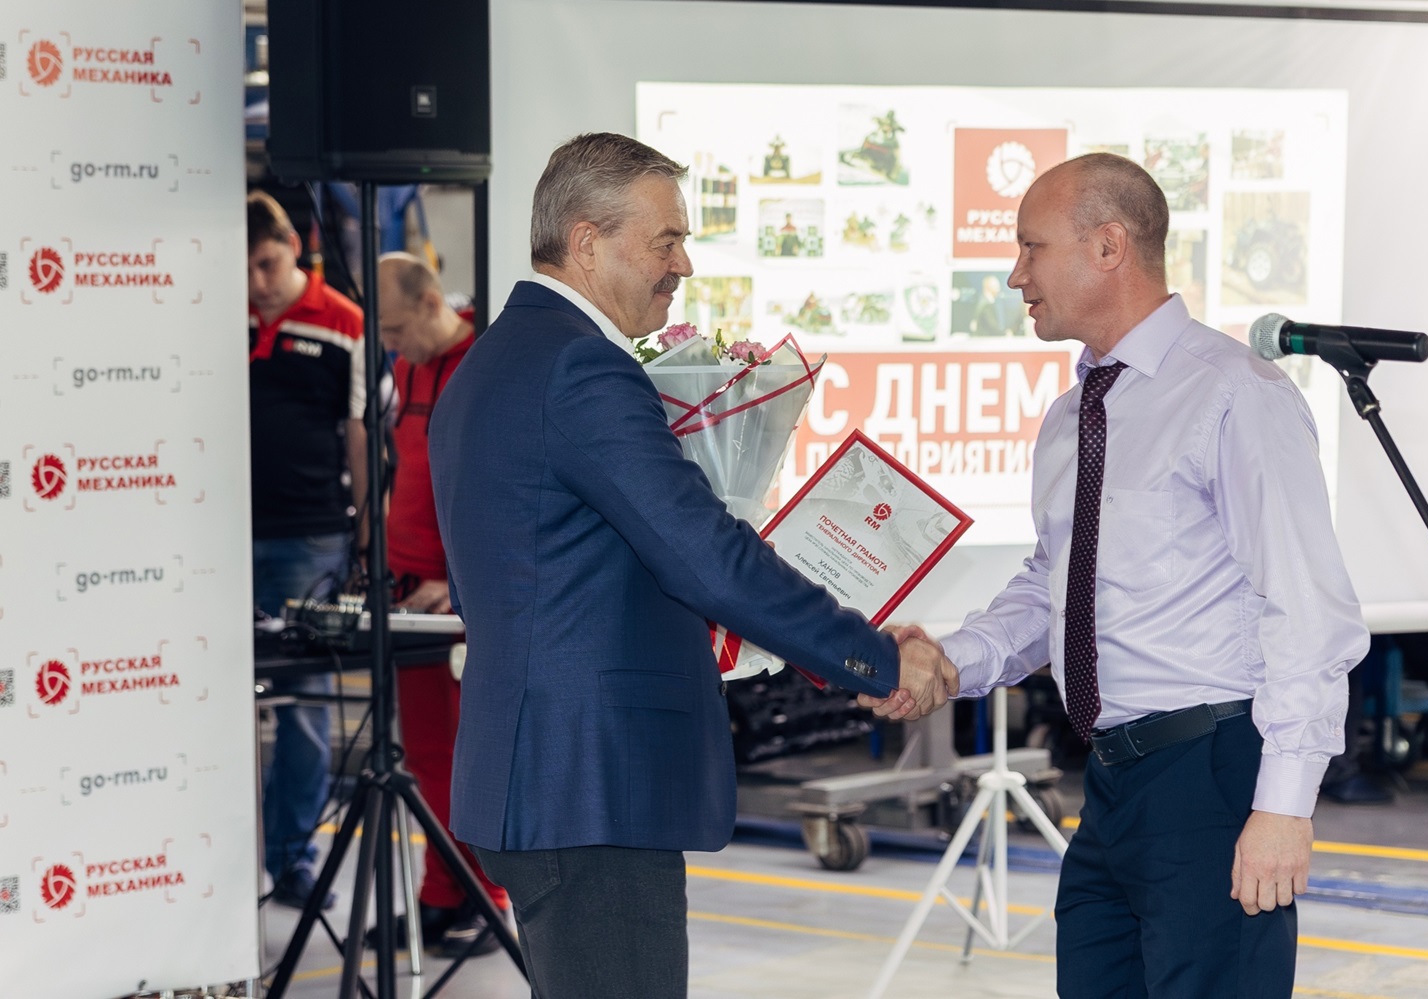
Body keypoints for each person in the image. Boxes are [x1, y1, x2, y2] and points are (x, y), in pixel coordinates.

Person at [427, 132, 954, 999]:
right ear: (587, 242)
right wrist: (874, 656)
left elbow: (559, 572)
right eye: (665, 241)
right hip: (590, 788)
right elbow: (704, 555)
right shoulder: (581, 368)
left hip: (544, 776)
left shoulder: (495, 360)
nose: (684, 265)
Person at [872, 153, 1369, 998]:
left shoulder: (1235, 393)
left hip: (1211, 773)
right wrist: (951, 661)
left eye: (1031, 247)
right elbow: (1053, 584)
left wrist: (1283, 805)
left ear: (1109, 246)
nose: (1015, 275)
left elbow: (1308, 606)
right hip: (1109, 782)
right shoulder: (1073, 415)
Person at [374, 252, 510, 954]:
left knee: (474, 757)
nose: (390, 344)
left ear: (432, 304)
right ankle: (438, 893)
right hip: (407, 593)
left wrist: (459, 583)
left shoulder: (483, 366)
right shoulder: (409, 368)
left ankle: (488, 898)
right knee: (427, 756)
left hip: (458, 602)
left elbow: (498, 491)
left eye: (396, 329)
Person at [247, 190, 369, 908]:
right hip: (214, 541)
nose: (257, 282)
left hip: (312, 537)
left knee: (304, 710)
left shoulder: (345, 322)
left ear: (294, 246)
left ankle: (293, 858)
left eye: (266, 263)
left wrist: (367, 536)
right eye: (244, 269)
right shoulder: (211, 314)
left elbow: (361, 434)